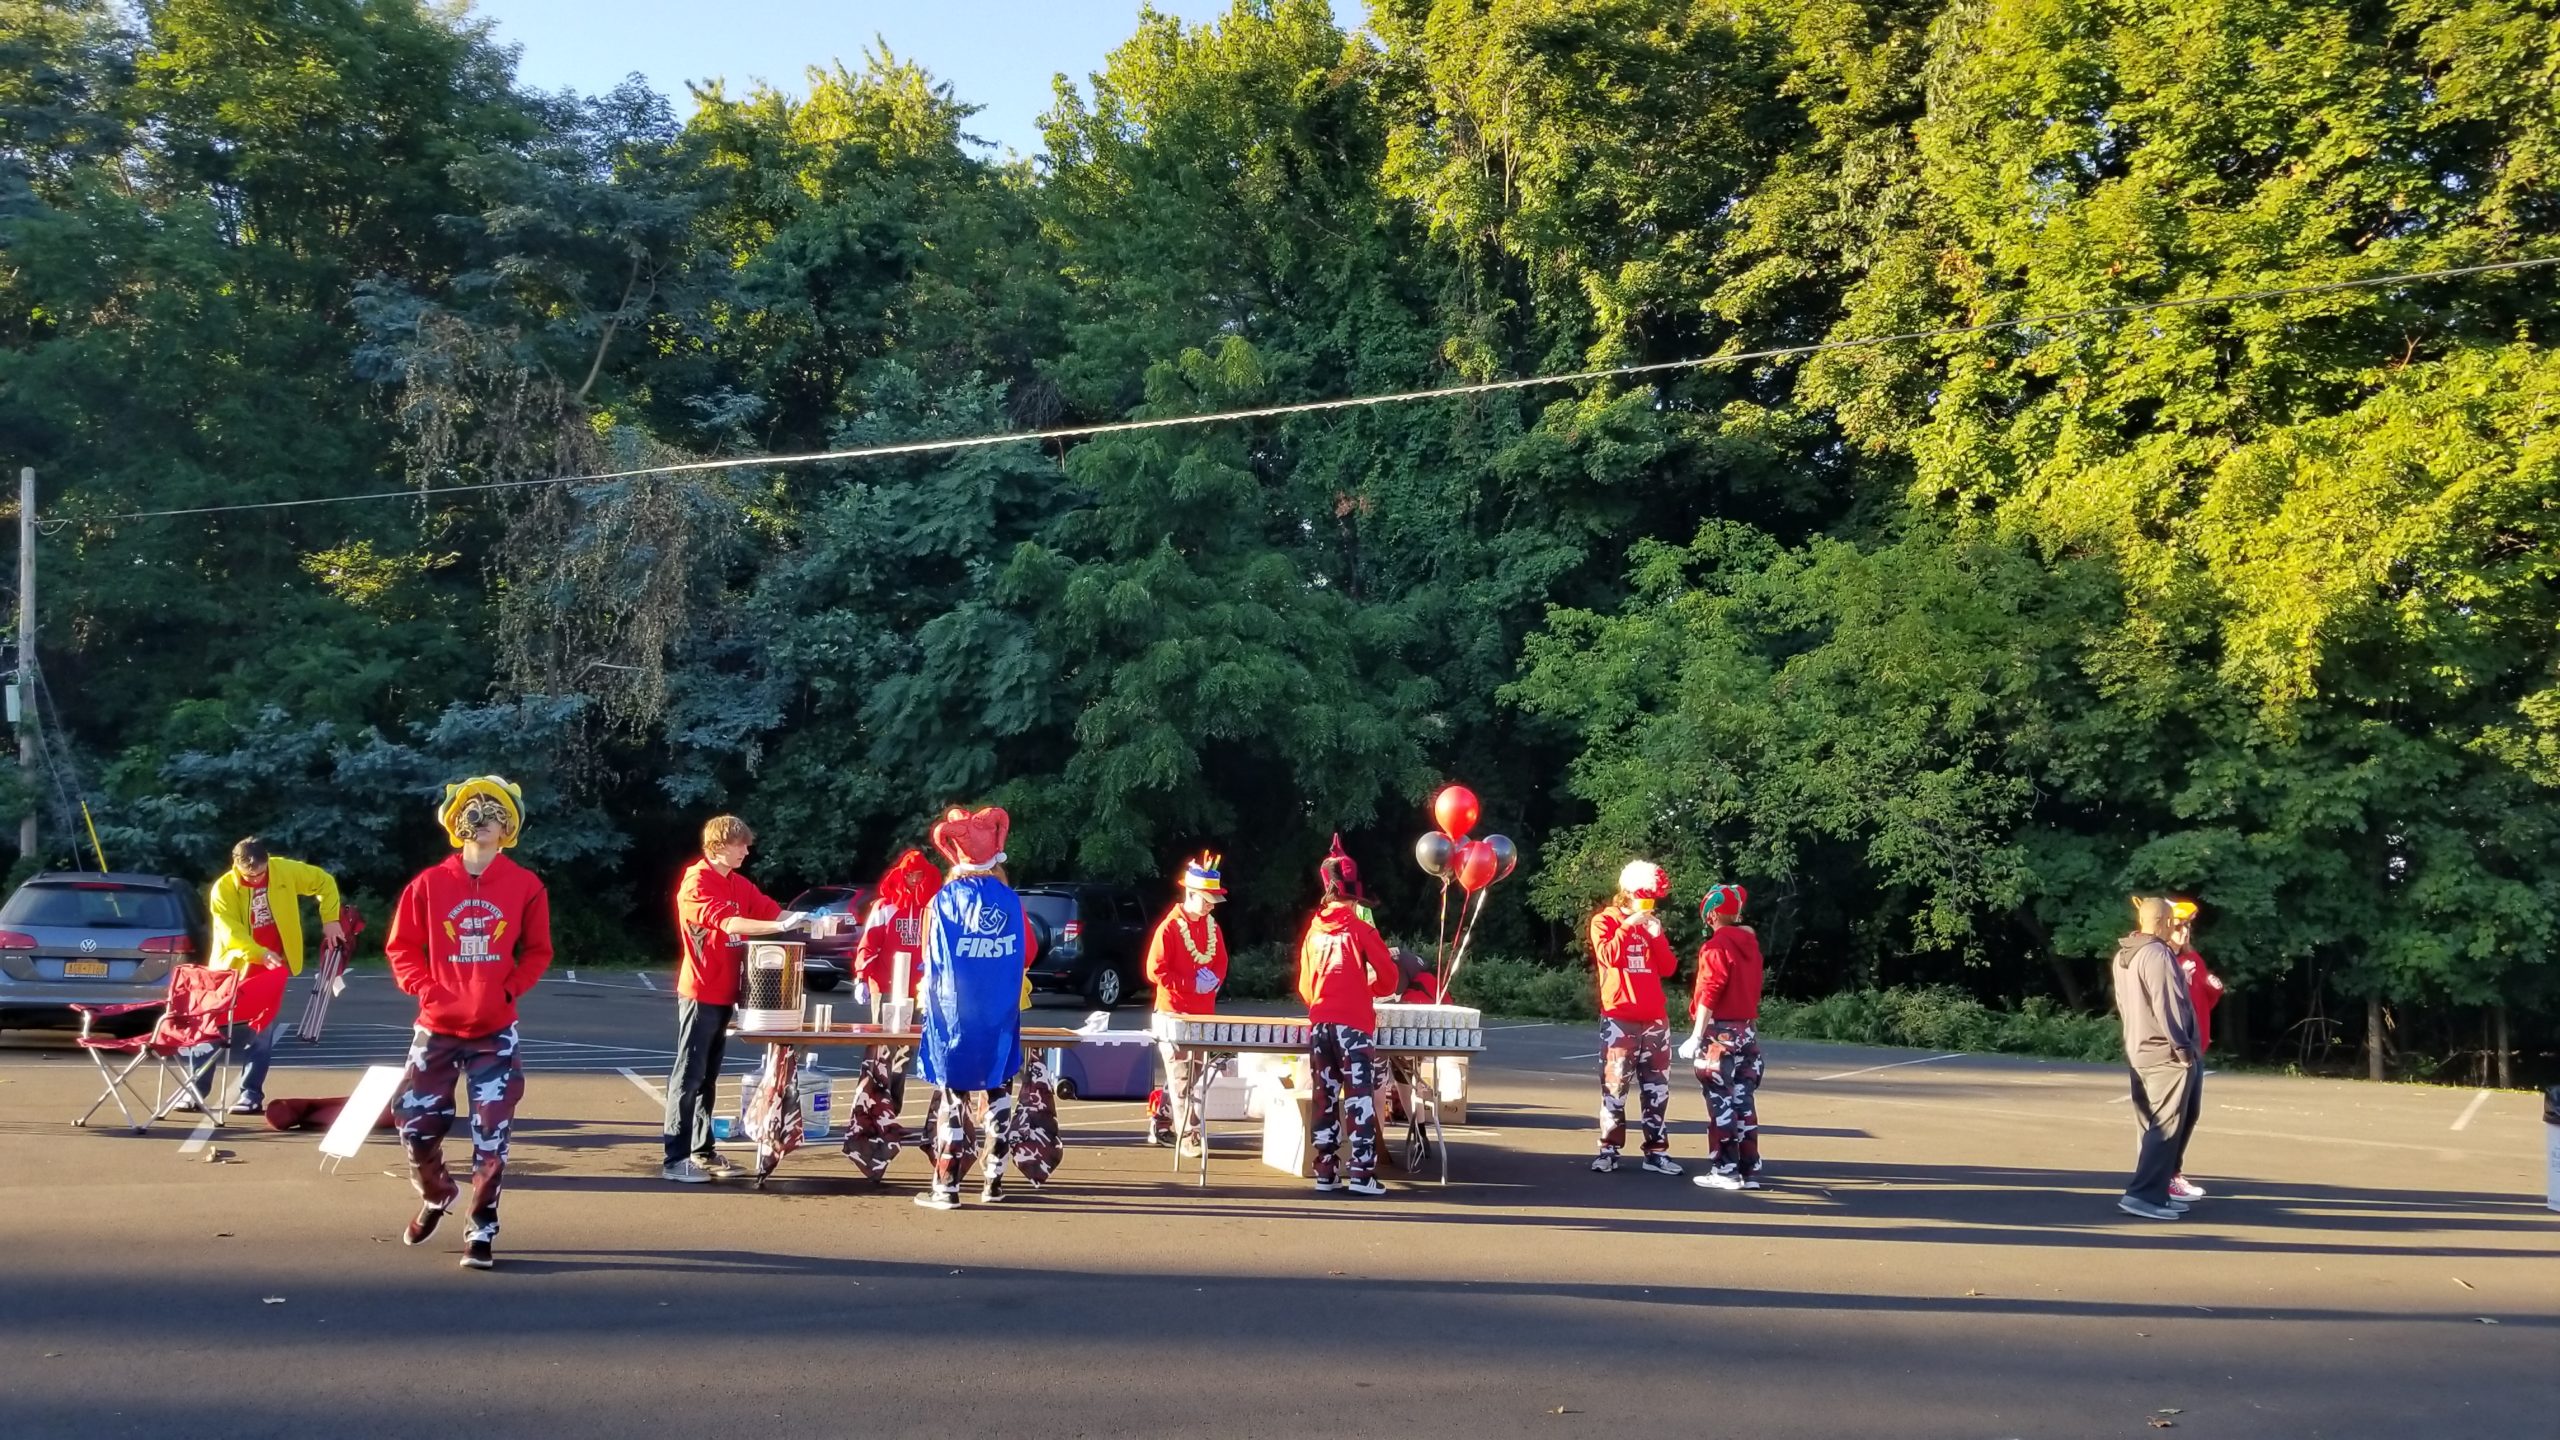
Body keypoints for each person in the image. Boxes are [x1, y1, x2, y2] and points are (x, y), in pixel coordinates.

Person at [386, 776, 554, 1270]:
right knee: (414, 1128)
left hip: (494, 1033)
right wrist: (426, 988)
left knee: (491, 1136)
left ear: (509, 828)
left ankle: (481, 1230)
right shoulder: (429, 884)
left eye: (495, 812)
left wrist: (508, 989)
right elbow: (401, 949)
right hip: (436, 1029)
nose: (483, 818)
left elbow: (539, 950)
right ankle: (438, 1193)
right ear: (457, 822)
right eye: (474, 810)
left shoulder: (525, 885)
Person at [666, 815, 812, 1185]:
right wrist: (781, 928)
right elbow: (730, 923)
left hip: (727, 992)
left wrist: (811, 921)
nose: (747, 850)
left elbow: (772, 911)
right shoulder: (696, 882)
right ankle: (675, 1157)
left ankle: (702, 1150)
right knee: (689, 1074)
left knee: (708, 1077)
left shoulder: (737, 883)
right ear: (718, 846)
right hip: (701, 991)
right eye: (740, 844)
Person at [914, 806, 1038, 1210]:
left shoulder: (943, 900)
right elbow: (1029, 952)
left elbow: (928, 957)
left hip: (955, 1015)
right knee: (999, 1090)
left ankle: (946, 1187)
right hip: (1000, 1012)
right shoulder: (1011, 901)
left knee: (954, 1100)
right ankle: (993, 1183)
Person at [192, 838, 345, 1113]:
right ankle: (195, 1092)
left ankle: (250, 1094)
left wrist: (330, 919)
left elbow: (324, 882)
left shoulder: (284, 871)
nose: (256, 878)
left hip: (270, 970)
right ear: (235, 865)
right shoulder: (223, 889)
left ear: (268, 862)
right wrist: (258, 952)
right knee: (208, 1028)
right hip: (232, 968)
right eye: (249, 875)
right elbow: (230, 932)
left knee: (261, 1033)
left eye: (261, 873)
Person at [1296, 839, 1400, 1197]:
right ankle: (1361, 1174)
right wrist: (1366, 986)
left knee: (1324, 1095)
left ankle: (1325, 1171)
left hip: (1320, 1021)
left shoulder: (1313, 932)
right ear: (1354, 897)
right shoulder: (1361, 931)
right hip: (1354, 1025)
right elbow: (1389, 978)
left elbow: (1305, 986)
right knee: (1358, 1097)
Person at [1587, 860, 1682, 1176]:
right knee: (1615, 1090)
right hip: (1620, 1018)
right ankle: (1609, 1150)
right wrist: (1629, 925)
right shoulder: (1606, 921)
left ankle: (1655, 1152)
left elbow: (1668, 968)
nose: (1650, 904)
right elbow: (1608, 956)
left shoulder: (1651, 924)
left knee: (1657, 1090)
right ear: (1627, 893)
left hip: (1655, 1021)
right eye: (1645, 897)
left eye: (1653, 899)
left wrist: (1656, 935)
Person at [2112, 895, 2201, 1221]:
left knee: (2152, 1126)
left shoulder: (2125, 954)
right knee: (2166, 1127)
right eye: (2174, 923)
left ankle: (2157, 1191)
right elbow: (2170, 1005)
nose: (2177, 928)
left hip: (2140, 1049)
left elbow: (2125, 1004)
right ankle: (2143, 1196)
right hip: (2164, 1054)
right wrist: (2183, 1050)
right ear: (2163, 922)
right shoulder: (2157, 954)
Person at [1683, 883, 1766, 1191]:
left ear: (1714, 914)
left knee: (1721, 1100)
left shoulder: (1716, 947)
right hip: (1746, 1030)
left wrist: (1696, 1034)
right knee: (1744, 1098)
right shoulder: (1750, 945)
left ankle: (1725, 1169)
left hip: (1720, 1033)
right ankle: (1748, 1166)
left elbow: (1709, 992)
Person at [1144, 853, 1229, 1155]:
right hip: (1173, 1013)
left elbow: (1221, 961)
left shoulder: (1212, 928)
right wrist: (1191, 983)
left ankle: (1161, 1121)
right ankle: (1188, 1136)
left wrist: (1214, 980)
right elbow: (1155, 970)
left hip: (1203, 1014)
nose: (1209, 906)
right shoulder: (1169, 928)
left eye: (1212, 902)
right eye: (1205, 900)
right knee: (1181, 1077)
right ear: (1190, 894)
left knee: (1192, 1075)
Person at [2167, 898, 2223, 1203]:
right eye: (2178, 926)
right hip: (2173, 1051)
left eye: (2187, 925)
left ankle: (2173, 1173)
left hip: (2195, 1046)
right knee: (2170, 1116)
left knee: (2190, 1113)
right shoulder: (2161, 960)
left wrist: (2213, 986)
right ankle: (2164, 1176)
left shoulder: (2194, 959)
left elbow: (2206, 997)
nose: (2185, 931)